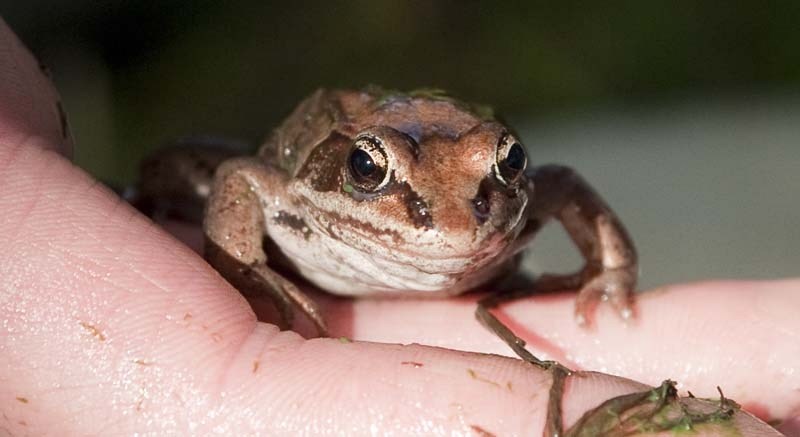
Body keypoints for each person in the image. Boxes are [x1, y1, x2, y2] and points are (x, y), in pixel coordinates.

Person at [0, 18, 795, 435]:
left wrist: (610, 270)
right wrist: (241, 264)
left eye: (501, 170)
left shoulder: (511, 198)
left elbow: (559, 185)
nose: (454, 220)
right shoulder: (303, 186)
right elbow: (245, 177)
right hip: (313, 188)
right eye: (372, 173)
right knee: (179, 165)